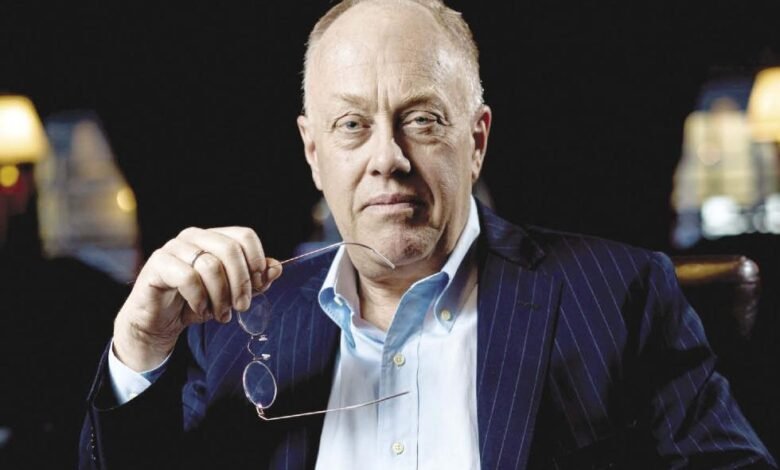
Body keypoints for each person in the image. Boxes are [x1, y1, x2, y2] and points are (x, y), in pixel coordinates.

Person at [79, 1, 776, 468]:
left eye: (421, 120)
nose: (387, 157)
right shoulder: (232, 323)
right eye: (352, 125)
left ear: (476, 141)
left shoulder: (621, 295)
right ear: (314, 153)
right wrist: (138, 347)